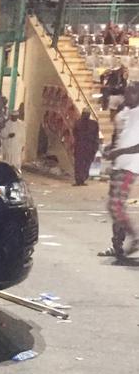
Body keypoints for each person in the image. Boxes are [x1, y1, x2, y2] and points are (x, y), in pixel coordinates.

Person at [101, 81, 139, 258]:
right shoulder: (126, 113)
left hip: (130, 165)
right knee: (114, 207)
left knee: (116, 205)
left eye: (131, 93)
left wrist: (119, 151)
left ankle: (135, 237)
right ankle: (117, 246)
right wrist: (111, 147)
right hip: (118, 164)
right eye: (126, 92)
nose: (127, 96)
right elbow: (122, 136)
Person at [73, 108, 100, 186]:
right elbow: (96, 136)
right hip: (89, 146)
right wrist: (95, 146)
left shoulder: (78, 123)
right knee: (86, 164)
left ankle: (79, 179)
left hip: (80, 146)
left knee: (79, 163)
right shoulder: (94, 124)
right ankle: (83, 178)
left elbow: (75, 134)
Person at [0, 102, 25, 169]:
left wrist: (23, 145)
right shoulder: (6, 124)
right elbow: (2, 134)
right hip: (8, 147)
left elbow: (23, 135)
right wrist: (8, 135)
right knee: (8, 162)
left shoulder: (21, 124)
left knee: (17, 162)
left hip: (17, 147)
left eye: (16, 116)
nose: (15, 118)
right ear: (11, 116)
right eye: (14, 116)